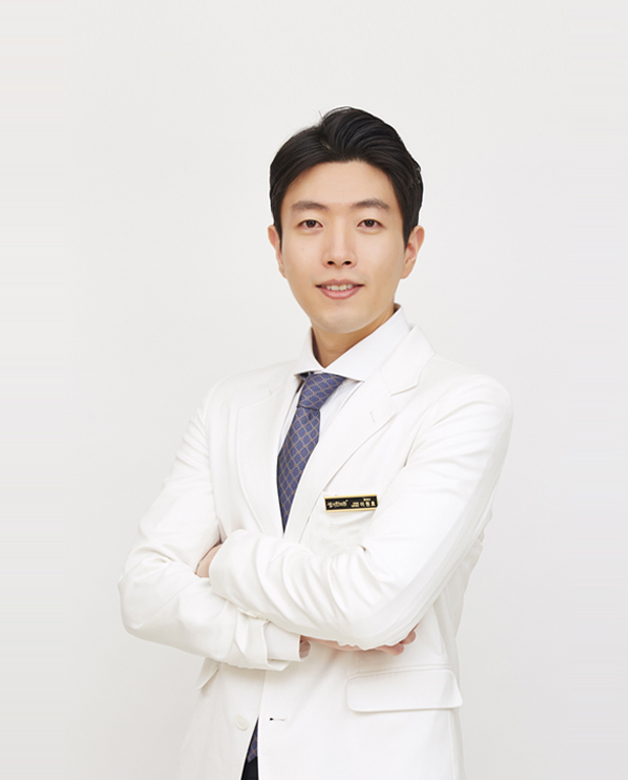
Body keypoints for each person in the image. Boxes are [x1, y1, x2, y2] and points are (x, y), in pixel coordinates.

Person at [119, 107, 513, 780]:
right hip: (224, 758)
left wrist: (220, 560)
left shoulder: (461, 404)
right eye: (309, 224)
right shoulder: (230, 404)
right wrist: (287, 632)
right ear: (277, 247)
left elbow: (373, 607)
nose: (338, 251)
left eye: (368, 223)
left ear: (411, 247)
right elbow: (144, 591)